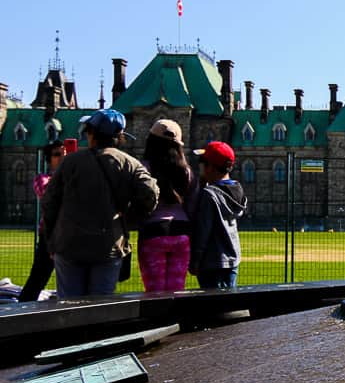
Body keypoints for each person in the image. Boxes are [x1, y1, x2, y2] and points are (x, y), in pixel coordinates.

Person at [42, 109, 158, 298]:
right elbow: (150, 194)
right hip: (108, 244)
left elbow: (49, 201)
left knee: (68, 307)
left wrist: (51, 239)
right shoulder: (131, 164)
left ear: (91, 133)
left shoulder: (70, 162)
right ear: (119, 137)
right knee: (100, 308)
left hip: (69, 243)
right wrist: (128, 218)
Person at [138, 120, 197, 292]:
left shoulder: (143, 169)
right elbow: (192, 207)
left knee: (155, 293)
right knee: (176, 291)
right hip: (182, 234)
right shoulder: (186, 171)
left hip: (153, 233)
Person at [189, 142, 247, 289]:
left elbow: (203, 231)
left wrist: (195, 260)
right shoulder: (237, 189)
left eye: (202, 162)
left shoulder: (209, 195)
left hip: (212, 262)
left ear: (210, 167)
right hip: (232, 259)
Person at [18, 140, 66, 301]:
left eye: (65, 153)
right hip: (49, 237)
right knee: (37, 279)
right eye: (57, 154)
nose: (63, 157)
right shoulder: (42, 179)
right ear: (49, 159)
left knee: (70, 283)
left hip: (70, 236)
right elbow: (48, 194)